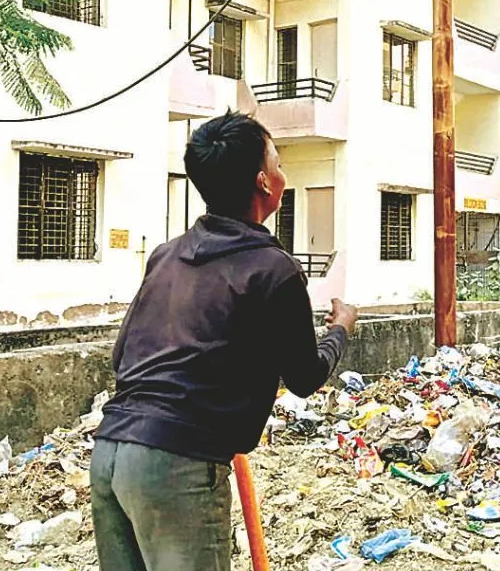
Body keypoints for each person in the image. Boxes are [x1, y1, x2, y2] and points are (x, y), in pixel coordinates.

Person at [90, 111, 358, 571]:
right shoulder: (273, 269)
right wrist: (341, 329)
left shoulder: (166, 256)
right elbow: (304, 377)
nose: (282, 172)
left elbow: (124, 357)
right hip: (178, 466)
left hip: (110, 452)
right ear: (263, 182)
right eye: (277, 162)